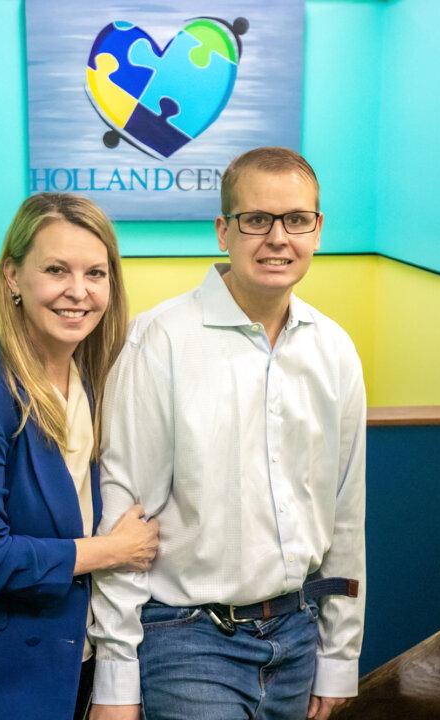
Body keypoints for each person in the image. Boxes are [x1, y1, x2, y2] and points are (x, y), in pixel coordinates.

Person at [88, 147, 367, 720]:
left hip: (297, 638)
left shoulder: (334, 350)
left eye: (296, 220)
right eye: (255, 220)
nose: (277, 238)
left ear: (318, 230)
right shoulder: (160, 340)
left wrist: (340, 656)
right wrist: (116, 682)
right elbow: (123, 511)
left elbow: (345, 515)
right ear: (223, 230)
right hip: (189, 640)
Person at [0, 193, 160, 720]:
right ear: (12, 278)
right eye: (56, 270)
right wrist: (109, 551)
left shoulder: (95, 379)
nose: (78, 292)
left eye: (96, 273)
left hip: (75, 665)